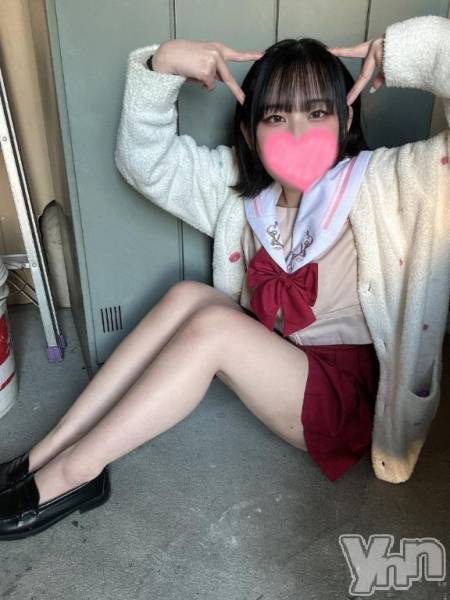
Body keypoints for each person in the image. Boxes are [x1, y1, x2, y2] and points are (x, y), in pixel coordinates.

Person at [0, 14, 448, 540]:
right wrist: (163, 65)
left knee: (216, 328)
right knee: (190, 295)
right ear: (249, 133)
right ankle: (51, 449)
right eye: (276, 116)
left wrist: (410, 53)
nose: (298, 132)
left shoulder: (391, 184)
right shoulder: (242, 193)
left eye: (318, 112)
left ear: (346, 121)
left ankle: (76, 473)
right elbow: (147, 164)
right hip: (285, 366)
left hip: (346, 401)